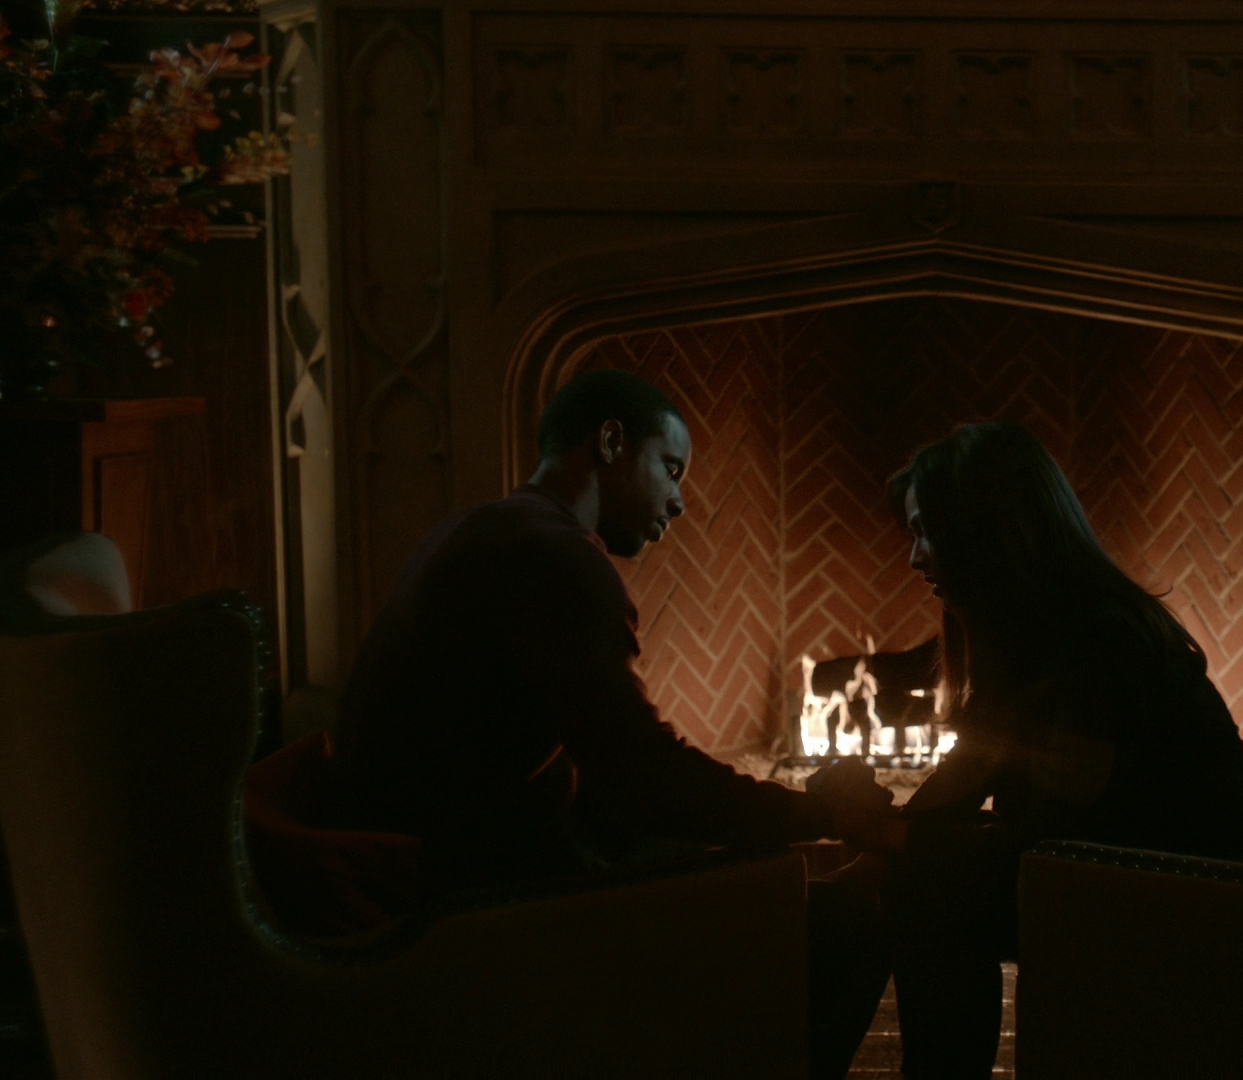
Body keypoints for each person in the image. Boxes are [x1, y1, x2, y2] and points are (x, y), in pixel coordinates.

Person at [320, 369, 893, 1076]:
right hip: (474, 906)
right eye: (671, 469)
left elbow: (604, 770)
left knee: (744, 869)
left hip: (446, 871)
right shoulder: (554, 557)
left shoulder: (483, 529)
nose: (680, 501)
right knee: (845, 927)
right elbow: (641, 776)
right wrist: (820, 812)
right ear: (612, 442)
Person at [859, 421, 1243, 1079]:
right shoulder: (1035, 626)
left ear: (983, 531)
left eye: (926, 532)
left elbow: (1060, 824)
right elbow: (979, 767)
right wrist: (888, 839)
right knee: (915, 880)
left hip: (1186, 885)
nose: (915, 558)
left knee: (926, 892)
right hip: (1112, 864)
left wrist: (893, 838)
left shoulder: (1098, 639)